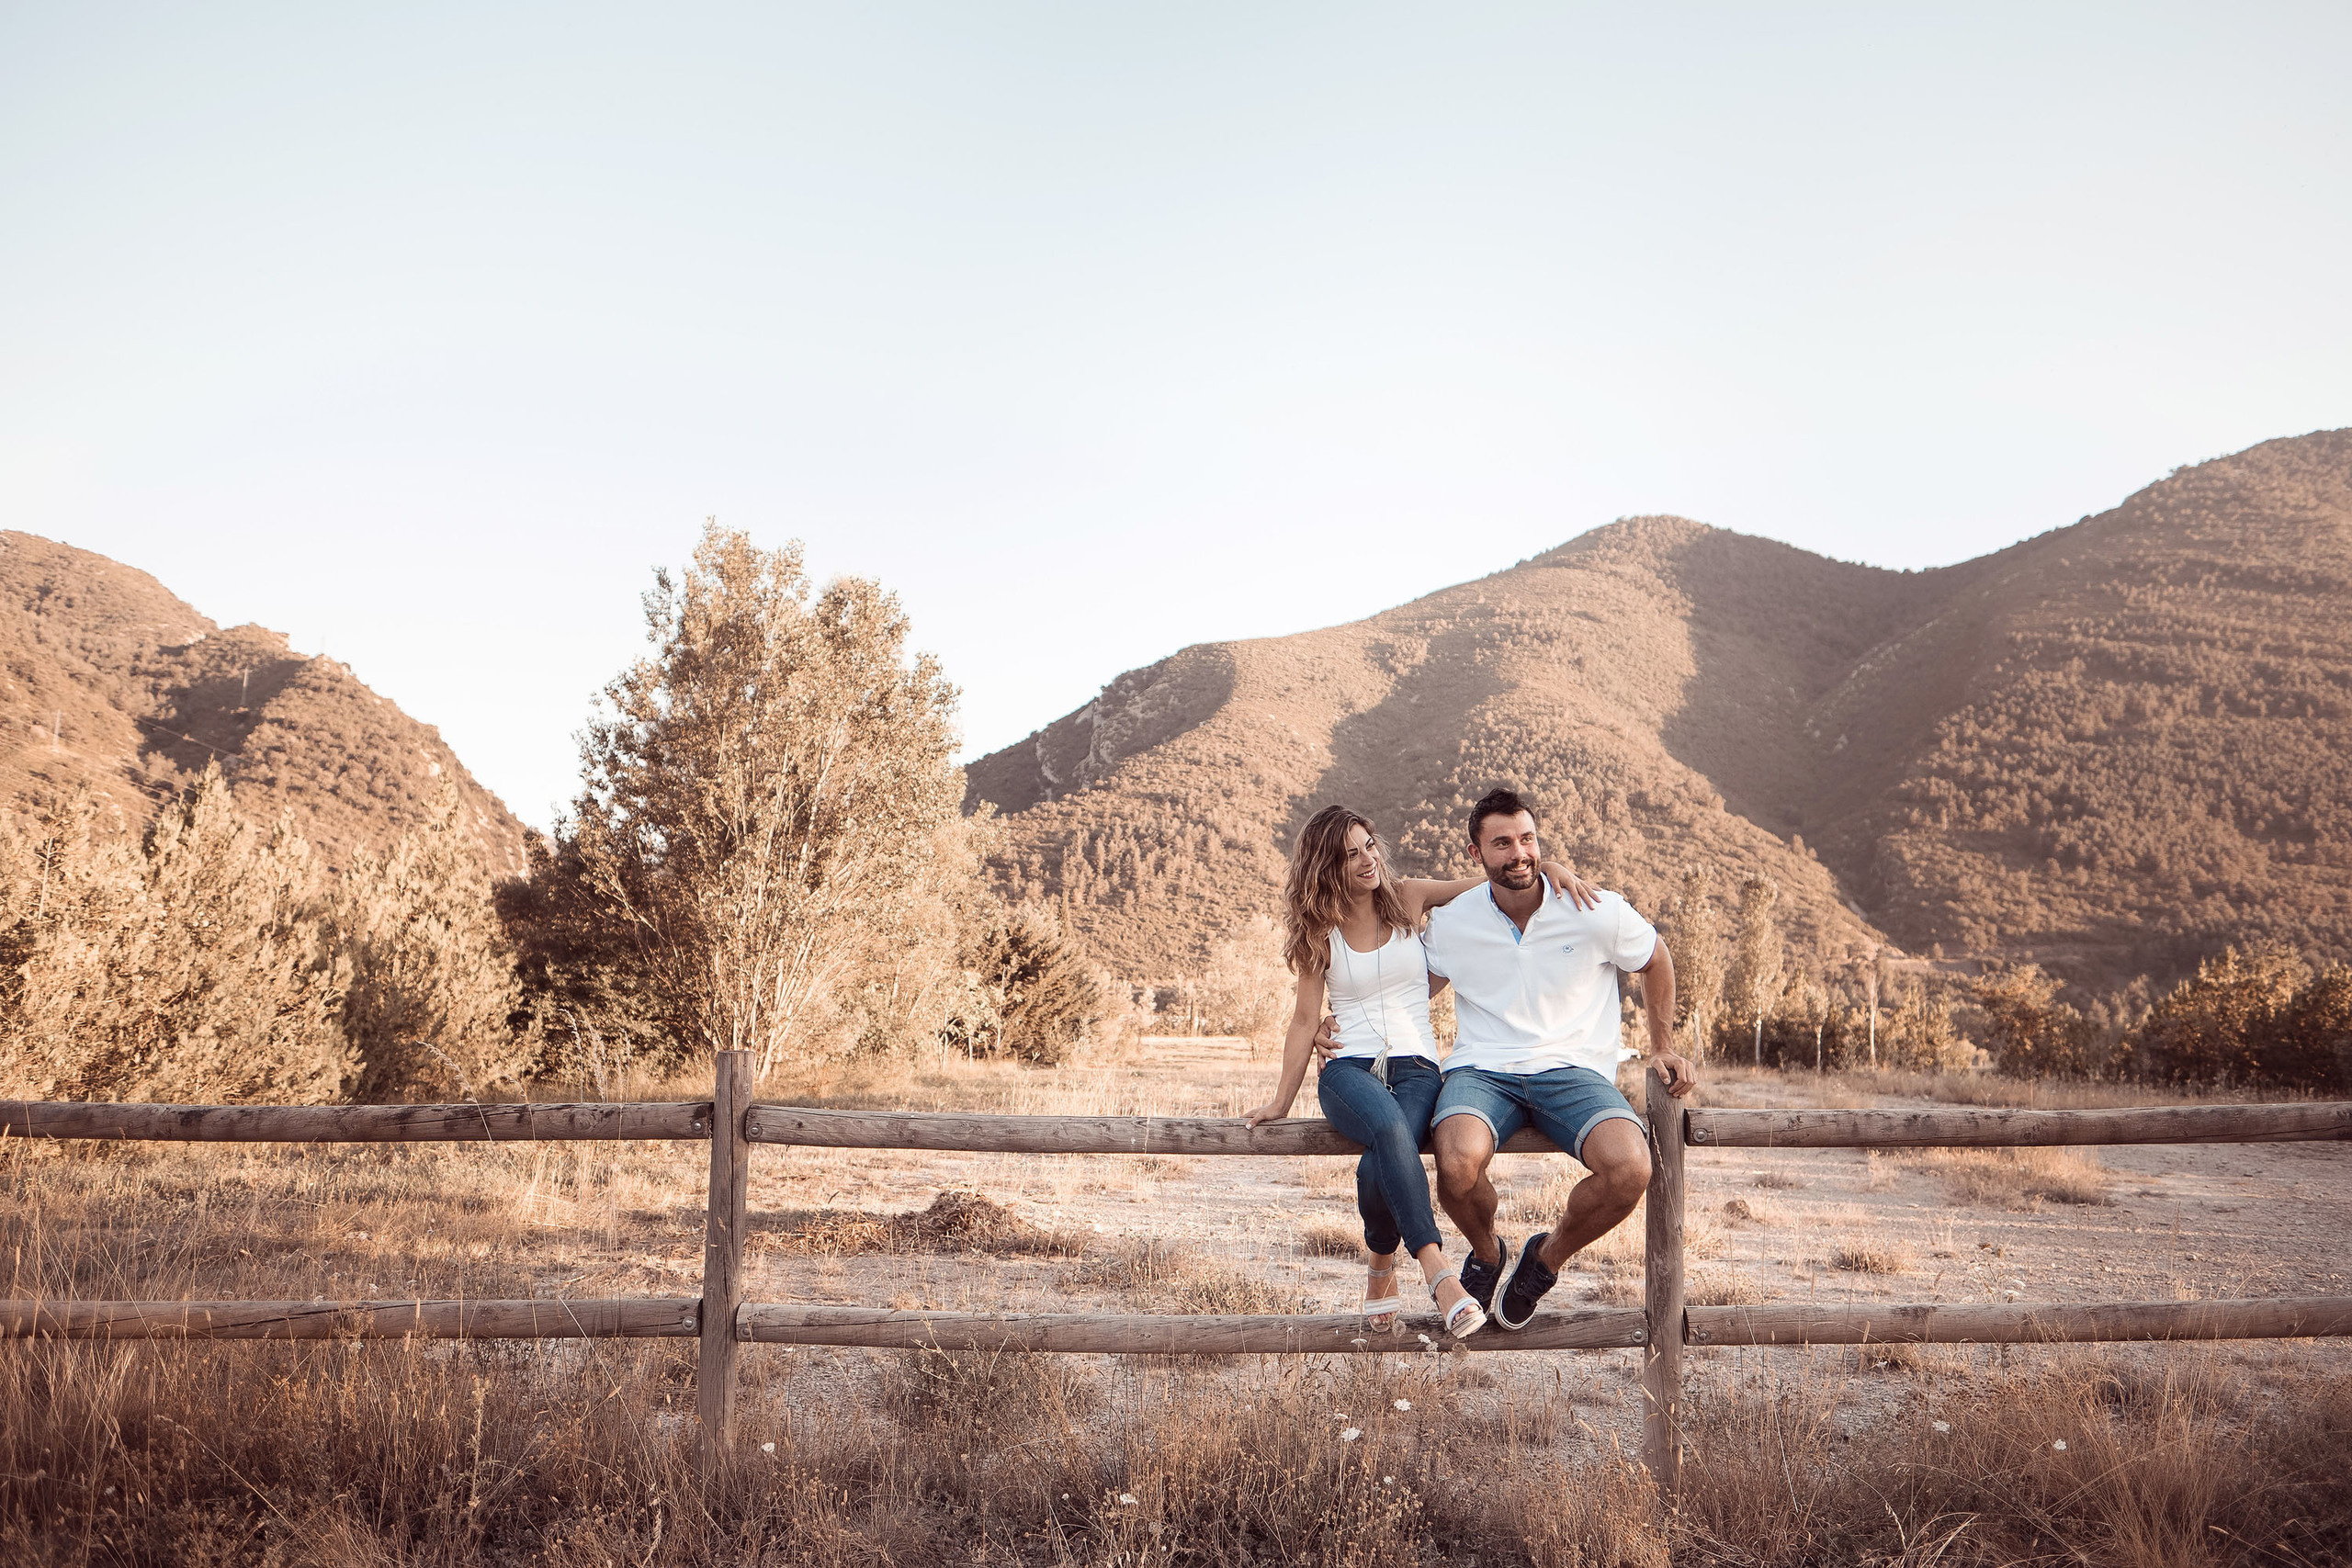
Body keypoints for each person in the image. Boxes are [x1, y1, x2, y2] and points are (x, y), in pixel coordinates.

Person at [1243, 804, 1596, 1339]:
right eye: (1350, 855)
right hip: (1348, 1069)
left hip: (1417, 1070)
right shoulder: (1320, 931)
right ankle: (1438, 1274)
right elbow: (1302, 1020)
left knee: (1377, 1164)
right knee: (1388, 1130)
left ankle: (1380, 1270)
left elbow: (1490, 882)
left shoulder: (1409, 896)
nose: (1367, 860)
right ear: (1325, 867)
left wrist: (1552, 871)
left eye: (1369, 845)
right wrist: (1280, 1103)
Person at [1400, 787, 1698, 1331]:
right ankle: (1488, 1253)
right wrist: (1342, 1025)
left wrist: (1662, 1047)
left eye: (1528, 839)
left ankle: (1544, 1259)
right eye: (1502, 843)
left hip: (1575, 1071)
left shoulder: (1593, 909)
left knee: (1632, 1168)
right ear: (1476, 853)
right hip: (1482, 1069)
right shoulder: (1453, 921)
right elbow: (1409, 992)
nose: (1519, 853)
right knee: (1456, 1162)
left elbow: (1656, 958)